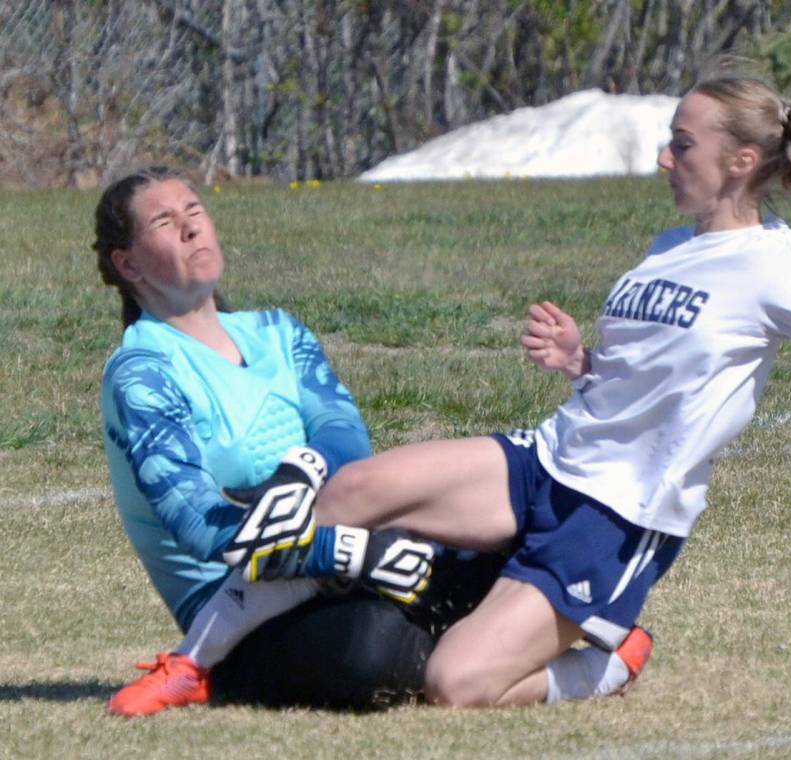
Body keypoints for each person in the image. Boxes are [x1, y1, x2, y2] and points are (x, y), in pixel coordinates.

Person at [225, 59, 791, 708]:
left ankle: (607, 661)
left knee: (456, 684)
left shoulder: (781, 261)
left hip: (614, 517)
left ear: (741, 161)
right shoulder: (668, 246)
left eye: (682, 145)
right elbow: (632, 379)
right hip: (546, 461)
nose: (663, 158)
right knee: (350, 491)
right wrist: (580, 358)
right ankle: (221, 656)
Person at [96, 166, 501, 716]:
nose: (192, 229)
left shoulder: (278, 332)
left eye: (195, 212)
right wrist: (348, 551)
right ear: (128, 264)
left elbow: (347, 442)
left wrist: (306, 467)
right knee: (369, 646)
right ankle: (201, 667)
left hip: (343, 564)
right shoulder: (141, 372)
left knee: (498, 529)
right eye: (166, 222)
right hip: (236, 609)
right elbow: (201, 527)